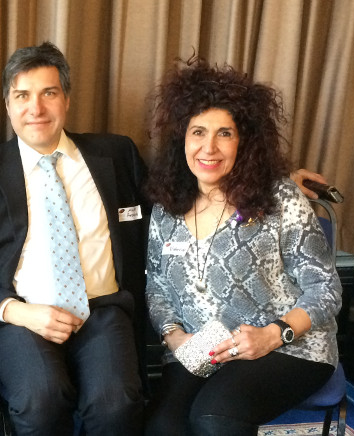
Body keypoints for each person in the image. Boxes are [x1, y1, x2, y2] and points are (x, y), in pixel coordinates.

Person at [0, 42, 147, 435]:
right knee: (41, 400)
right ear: (7, 106)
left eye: (49, 93)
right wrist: (22, 313)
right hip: (22, 317)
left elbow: (174, 201)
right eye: (22, 95)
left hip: (103, 308)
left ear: (67, 100)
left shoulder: (116, 154)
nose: (35, 108)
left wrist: (263, 181)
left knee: (116, 406)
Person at [143, 57, 341, 435]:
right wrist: (175, 337)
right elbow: (157, 287)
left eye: (225, 133)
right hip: (204, 351)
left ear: (244, 141)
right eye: (198, 132)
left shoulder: (279, 197)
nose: (209, 147)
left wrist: (273, 333)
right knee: (161, 427)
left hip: (287, 346)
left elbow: (324, 287)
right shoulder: (167, 207)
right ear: (182, 138)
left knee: (215, 417)